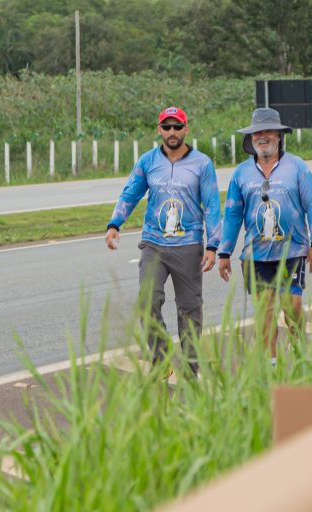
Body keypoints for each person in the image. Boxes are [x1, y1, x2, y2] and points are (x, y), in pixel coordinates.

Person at [105, 106, 221, 376]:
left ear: (186, 128)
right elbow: (130, 193)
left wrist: (214, 246)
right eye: (166, 127)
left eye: (177, 126)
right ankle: (161, 357)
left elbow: (213, 206)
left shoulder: (202, 164)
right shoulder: (147, 161)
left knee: (190, 309)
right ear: (159, 130)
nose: (172, 132)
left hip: (188, 245)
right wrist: (114, 224)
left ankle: (191, 368)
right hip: (153, 243)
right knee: (148, 300)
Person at [218, 108, 312, 366]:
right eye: (257, 132)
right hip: (256, 256)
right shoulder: (241, 173)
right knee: (265, 313)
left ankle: (299, 351)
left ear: (279, 135)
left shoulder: (298, 167)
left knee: (293, 307)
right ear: (251, 138)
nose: (262, 136)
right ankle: (272, 366)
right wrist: (224, 251)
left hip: (293, 252)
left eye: (268, 131)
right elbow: (232, 214)